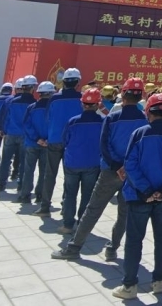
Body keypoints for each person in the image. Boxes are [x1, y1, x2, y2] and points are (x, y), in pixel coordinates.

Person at [52, 77, 148, 261]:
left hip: (110, 171)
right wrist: (128, 167)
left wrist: (116, 165)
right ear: (141, 96)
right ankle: (112, 249)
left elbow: (104, 145)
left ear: (123, 95)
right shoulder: (145, 120)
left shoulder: (112, 118)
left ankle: (74, 248)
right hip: (132, 174)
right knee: (124, 213)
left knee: (93, 209)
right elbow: (143, 149)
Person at [113, 93, 162, 299]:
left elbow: (130, 164)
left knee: (134, 241)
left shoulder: (139, 134)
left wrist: (146, 190)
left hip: (139, 196)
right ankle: (159, 282)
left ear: (148, 112)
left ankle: (129, 286)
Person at [37, 67, 83, 218]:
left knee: (50, 174)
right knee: (70, 176)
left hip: (55, 140)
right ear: (78, 82)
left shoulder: (54, 99)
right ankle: (66, 205)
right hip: (73, 142)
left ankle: (44, 207)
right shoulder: (82, 99)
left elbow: (47, 118)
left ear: (63, 82)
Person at [58, 87, 104, 234]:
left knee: (70, 194)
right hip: (92, 163)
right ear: (98, 104)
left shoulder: (73, 121)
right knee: (87, 195)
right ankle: (82, 225)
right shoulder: (103, 122)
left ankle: (67, 225)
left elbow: (64, 140)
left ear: (82, 104)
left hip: (72, 162)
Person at [0, 75, 37, 194]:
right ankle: (21, 185)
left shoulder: (12, 101)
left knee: (5, 160)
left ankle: (1, 184)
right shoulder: (34, 103)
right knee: (24, 162)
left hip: (11, 133)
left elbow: (5, 117)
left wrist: (3, 129)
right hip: (25, 136)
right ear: (33, 88)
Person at [20, 81, 55, 205]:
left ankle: (25, 195)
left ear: (39, 93)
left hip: (32, 143)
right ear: (51, 93)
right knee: (44, 171)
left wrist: (36, 139)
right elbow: (55, 126)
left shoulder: (31, 107)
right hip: (47, 144)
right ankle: (40, 195)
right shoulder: (53, 109)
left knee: (28, 170)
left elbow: (26, 125)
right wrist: (47, 139)